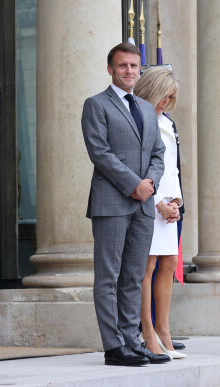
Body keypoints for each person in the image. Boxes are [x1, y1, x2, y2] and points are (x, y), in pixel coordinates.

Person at [81, 42, 170, 366]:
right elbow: (99, 152)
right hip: (112, 202)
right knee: (109, 277)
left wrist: (148, 185)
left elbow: (158, 154)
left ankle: (133, 341)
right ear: (111, 69)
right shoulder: (96, 105)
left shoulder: (146, 108)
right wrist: (133, 184)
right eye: (123, 66)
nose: (129, 71)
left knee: (133, 277)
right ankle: (114, 347)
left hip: (143, 205)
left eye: (134, 66)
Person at [134, 67, 186, 359]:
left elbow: (173, 167)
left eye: (171, 97)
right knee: (148, 265)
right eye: (164, 96)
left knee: (169, 263)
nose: (166, 102)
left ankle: (164, 331)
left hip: (169, 205)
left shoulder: (167, 122)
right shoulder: (140, 119)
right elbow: (141, 168)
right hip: (149, 203)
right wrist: (158, 203)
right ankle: (148, 332)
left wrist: (176, 202)